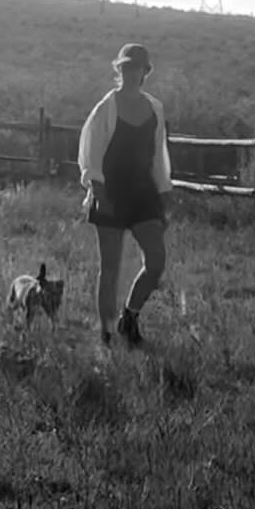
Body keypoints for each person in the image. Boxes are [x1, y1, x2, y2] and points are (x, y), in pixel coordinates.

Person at [78, 42, 171, 347]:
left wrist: (164, 195)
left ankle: (128, 319)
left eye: (139, 68)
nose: (133, 73)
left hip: (144, 193)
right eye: (127, 67)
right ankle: (107, 336)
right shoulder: (106, 108)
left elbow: (158, 155)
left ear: (146, 72)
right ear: (119, 70)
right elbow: (91, 154)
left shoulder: (155, 108)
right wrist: (99, 192)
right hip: (111, 191)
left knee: (156, 260)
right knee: (111, 268)